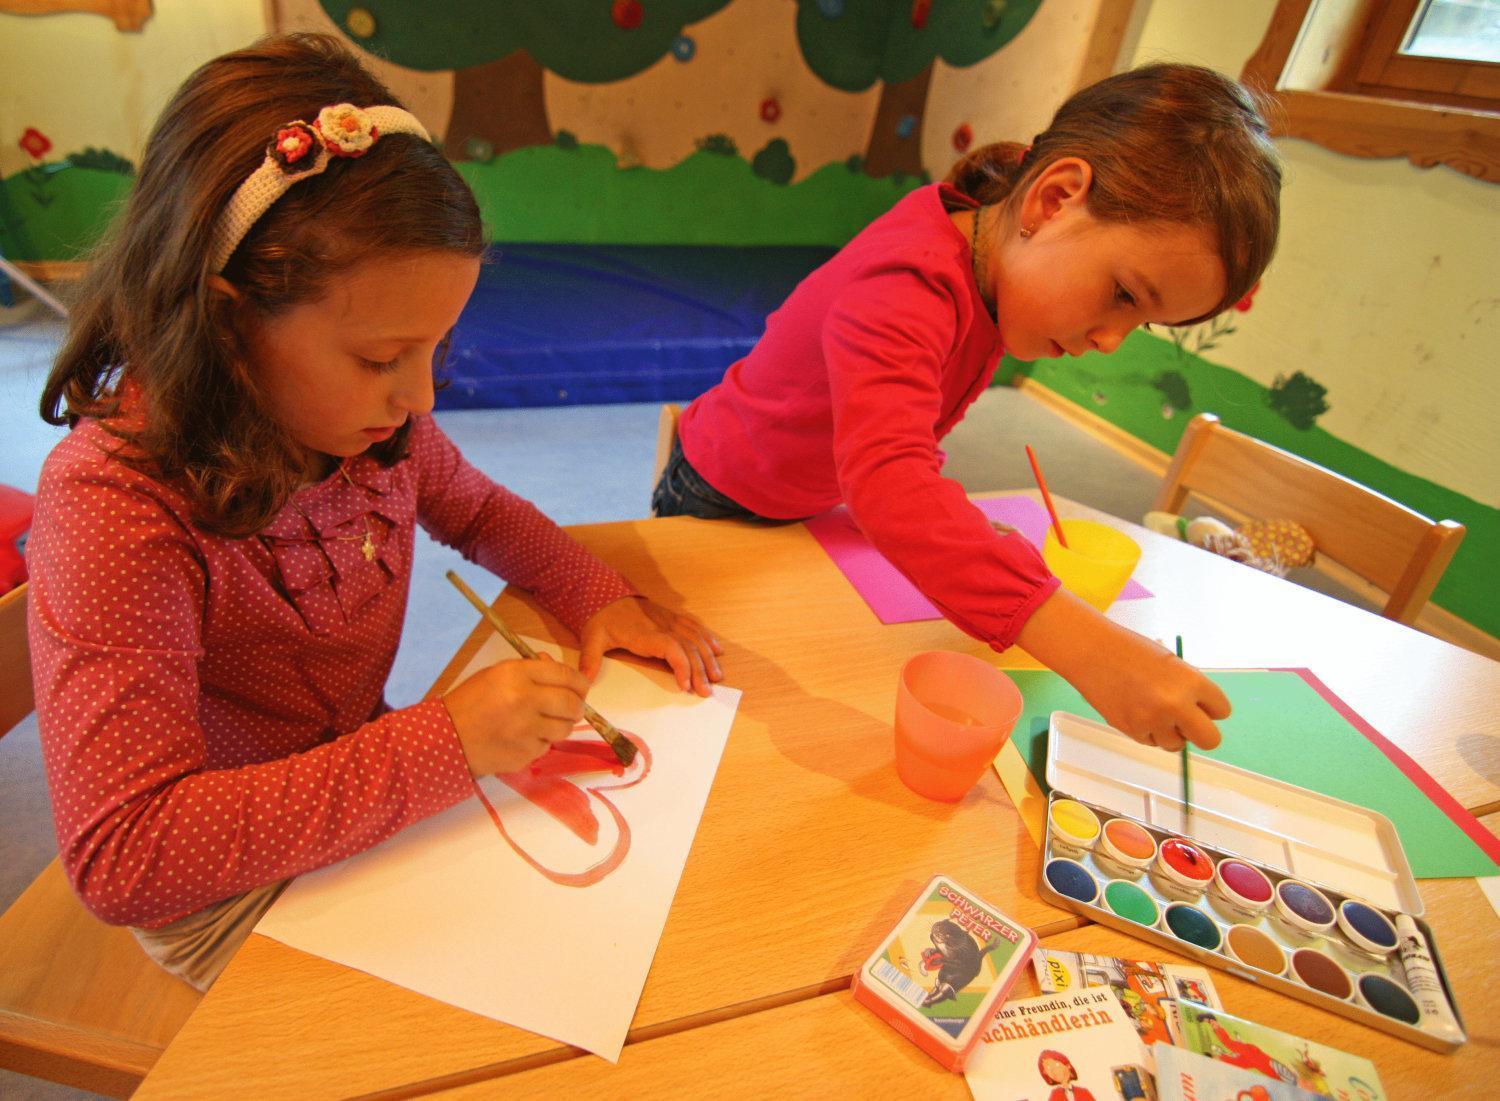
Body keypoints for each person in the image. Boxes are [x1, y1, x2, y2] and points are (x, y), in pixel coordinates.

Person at [27, 33, 722, 990]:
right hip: (220, 885)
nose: (421, 397)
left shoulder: (365, 427)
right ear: (227, 324)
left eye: (435, 348)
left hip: (355, 781)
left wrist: (592, 589)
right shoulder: (116, 502)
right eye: (381, 356)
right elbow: (128, 853)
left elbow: (477, 510)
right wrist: (440, 744)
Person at [653, 63, 1282, 753]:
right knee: (708, 702)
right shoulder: (908, 279)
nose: (1108, 340)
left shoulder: (998, 262)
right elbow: (889, 479)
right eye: (1125, 296)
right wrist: (1090, 647)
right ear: (1054, 198)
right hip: (721, 488)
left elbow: (906, 437)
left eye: (1142, 322)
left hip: (813, 493)